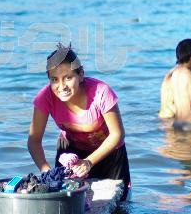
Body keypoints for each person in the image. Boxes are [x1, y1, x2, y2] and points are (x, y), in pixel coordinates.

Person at [27, 44, 131, 201]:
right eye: (54, 80)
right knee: (64, 199)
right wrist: (47, 171)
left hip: (109, 154)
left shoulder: (101, 92)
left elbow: (117, 134)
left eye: (68, 78)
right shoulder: (45, 97)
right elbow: (34, 140)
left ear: (81, 74)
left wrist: (89, 162)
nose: (61, 87)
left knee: (119, 209)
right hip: (70, 154)